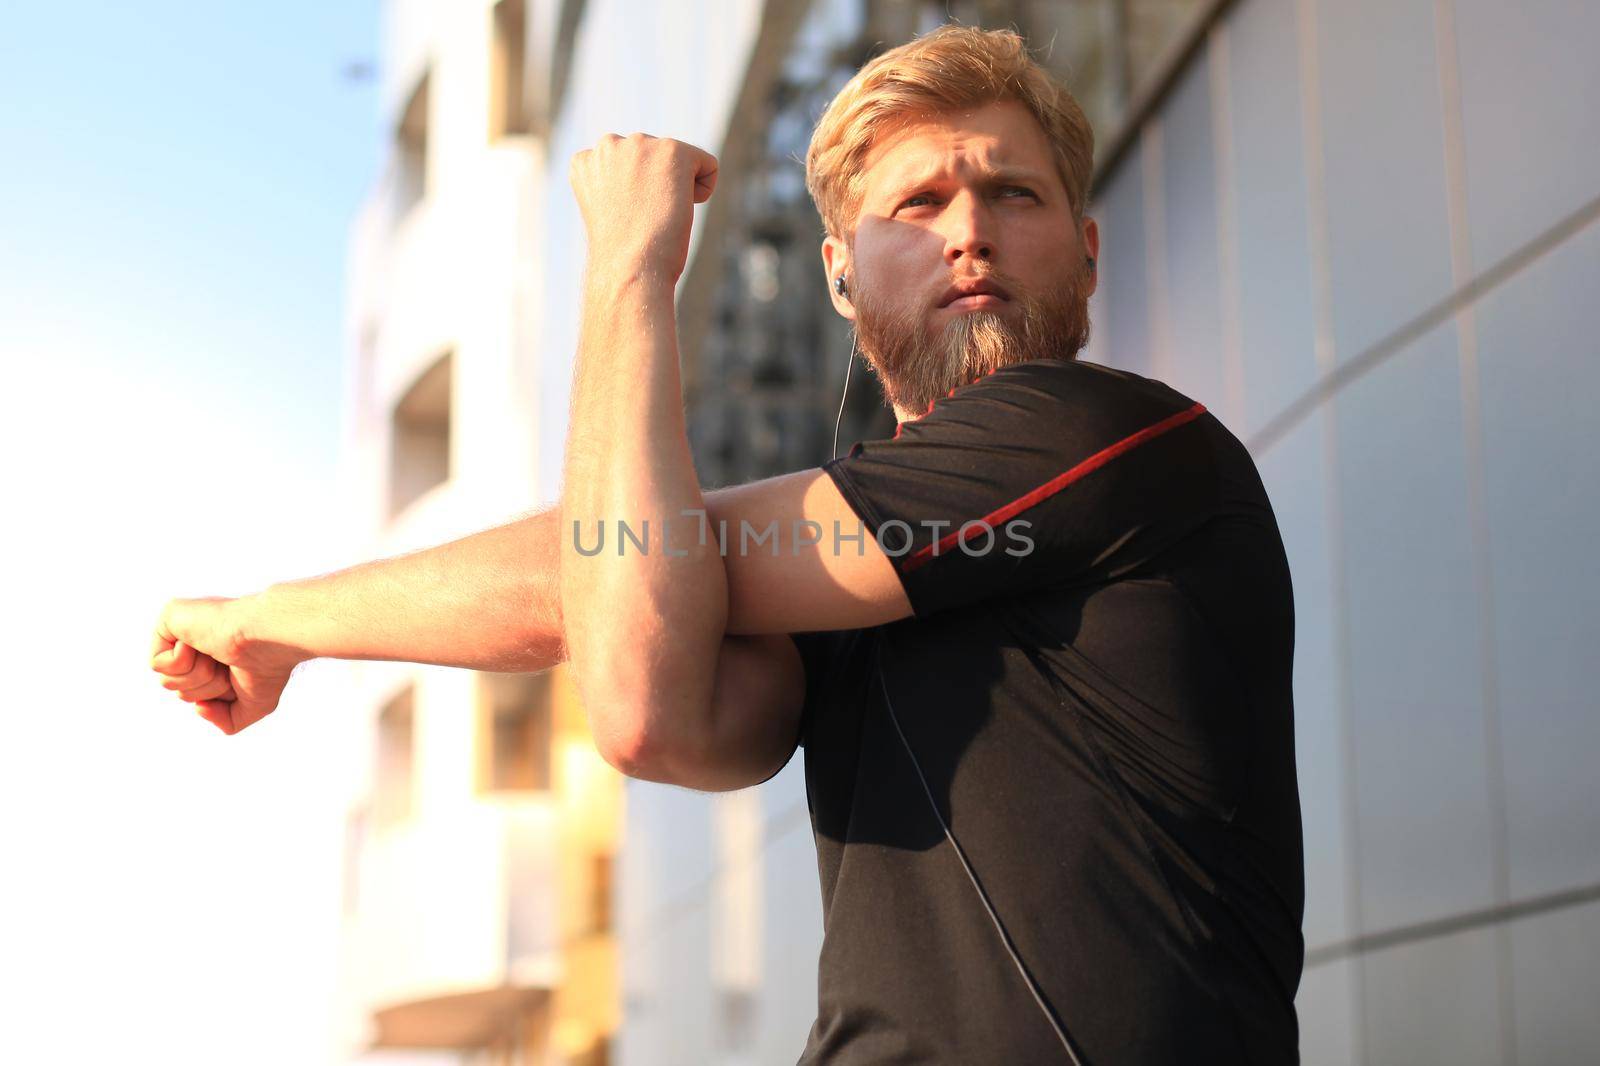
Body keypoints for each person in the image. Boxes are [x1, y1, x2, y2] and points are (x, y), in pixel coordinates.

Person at [150, 24, 1303, 1066]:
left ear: (1087, 254)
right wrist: (275, 622)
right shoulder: (844, 567)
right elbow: (641, 688)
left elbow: (626, 560)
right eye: (919, 204)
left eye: (1013, 195)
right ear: (839, 280)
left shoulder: (1115, 434)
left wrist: (631, 266)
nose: (968, 232)